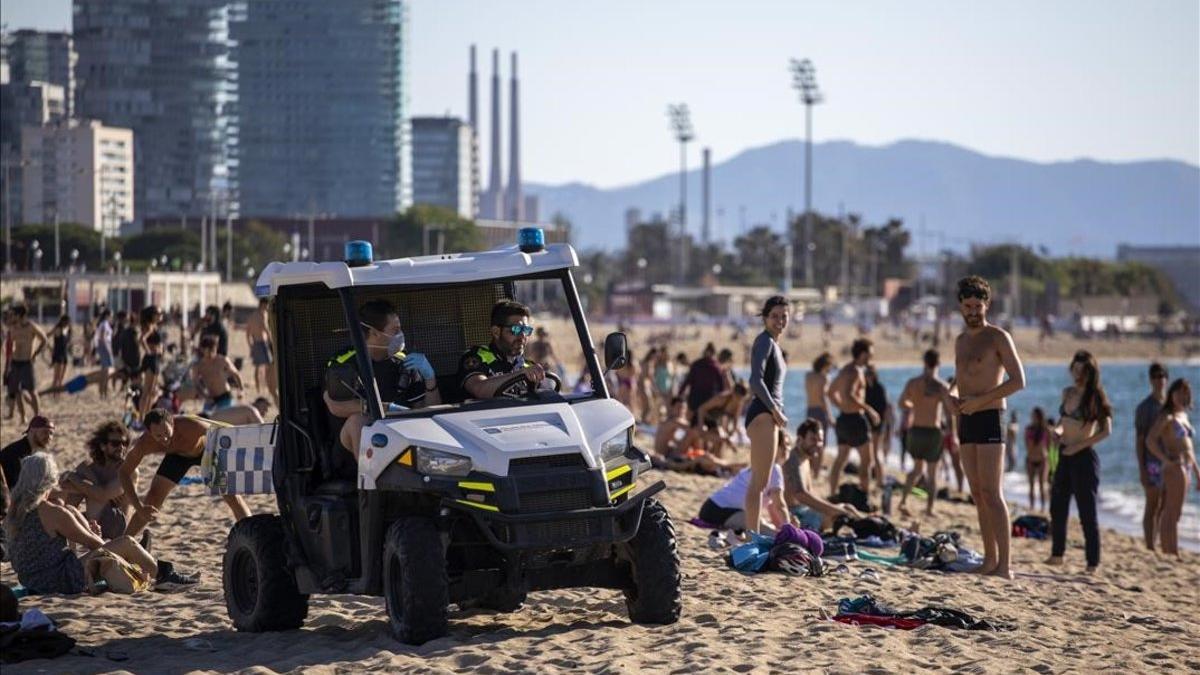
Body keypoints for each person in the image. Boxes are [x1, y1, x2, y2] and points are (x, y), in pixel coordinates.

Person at [6, 452, 197, 594]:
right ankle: (164, 576)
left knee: (72, 511)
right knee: (127, 542)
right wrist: (103, 539)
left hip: (30, 581)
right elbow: (95, 545)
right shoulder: (52, 512)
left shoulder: (14, 512)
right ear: (50, 480)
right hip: (59, 581)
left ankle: (138, 561)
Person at [952, 275, 1025, 579]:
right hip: (965, 416)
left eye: (978, 306)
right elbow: (962, 378)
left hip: (991, 416)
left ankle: (1004, 565)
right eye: (968, 306)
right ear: (960, 306)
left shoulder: (998, 337)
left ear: (987, 304)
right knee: (977, 493)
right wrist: (953, 394)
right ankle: (989, 558)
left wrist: (980, 402)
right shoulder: (960, 340)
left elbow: (1018, 381)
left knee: (993, 493)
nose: (973, 311)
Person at [326, 300, 440, 461]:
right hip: (352, 448)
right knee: (357, 421)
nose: (400, 335)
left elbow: (428, 412)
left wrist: (430, 379)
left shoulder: (406, 362)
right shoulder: (343, 362)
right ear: (374, 333)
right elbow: (334, 405)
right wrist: (385, 408)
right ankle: (371, 483)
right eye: (395, 330)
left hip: (402, 438)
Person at [120, 410, 252, 537]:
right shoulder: (145, 443)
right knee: (153, 498)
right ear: (149, 432)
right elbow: (124, 473)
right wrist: (139, 507)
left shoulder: (191, 425)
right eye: (158, 436)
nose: (165, 439)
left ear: (172, 424)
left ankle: (252, 533)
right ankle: (122, 545)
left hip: (207, 451)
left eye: (167, 432)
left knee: (231, 495)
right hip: (177, 456)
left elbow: (225, 434)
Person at [1046, 350, 1111, 573]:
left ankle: (1092, 562)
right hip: (1064, 454)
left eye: (1082, 371)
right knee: (1057, 507)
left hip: (1084, 457)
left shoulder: (1095, 397)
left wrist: (1079, 445)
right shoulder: (1068, 393)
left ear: (1090, 372)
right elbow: (1063, 421)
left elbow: (1106, 431)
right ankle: (1057, 555)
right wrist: (1057, 431)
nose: (1077, 375)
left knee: (1087, 512)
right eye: (1074, 370)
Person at [742, 296, 790, 535]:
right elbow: (755, 380)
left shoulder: (774, 344)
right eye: (775, 316)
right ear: (765, 317)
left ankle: (754, 534)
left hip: (767, 416)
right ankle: (752, 536)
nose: (780, 321)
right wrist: (774, 409)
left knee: (762, 481)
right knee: (759, 483)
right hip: (762, 415)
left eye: (784, 316)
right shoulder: (764, 342)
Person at [896, 349, 957, 517]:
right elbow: (950, 411)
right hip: (932, 432)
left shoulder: (913, 383)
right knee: (932, 474)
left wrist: (914, 406)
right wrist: (954, 434)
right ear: (938, 364)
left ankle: (903, 501)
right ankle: (929, 509)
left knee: (916, 470)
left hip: (915, 431)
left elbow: (901, 403)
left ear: (924, 362)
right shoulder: (941, 386)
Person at [1145, 378, 1199, 559]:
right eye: (1178, 392)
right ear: (1171, 394)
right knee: (1171, 511)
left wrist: (1198, 473)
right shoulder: (1167, 416)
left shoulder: (1183, 415)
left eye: (1185, 392)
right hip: (1174, 465)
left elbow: (1189, 448)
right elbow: (1150, 440)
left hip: (1187, 466)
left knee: (1177, 511)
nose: (1181, 396)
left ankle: (1170, 549)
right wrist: (1164, 459)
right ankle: (1170, 550)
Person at [60, 421, 138, 540]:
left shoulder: (129, 470)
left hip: (119, 527)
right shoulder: (93, 468)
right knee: (78, 493)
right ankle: (66, 543)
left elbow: (101, 495)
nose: (121, 447)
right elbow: (65, 487)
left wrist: (73, 475)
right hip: (95, 522)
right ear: (102, 446)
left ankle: (93, 542)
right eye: (115, 443)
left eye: (125, 443)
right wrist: (79, 475)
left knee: (92, 494)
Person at [782, 418, 865, 530]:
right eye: (813, 439)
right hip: (795, 515)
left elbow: (810, 492)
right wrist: (834, 510)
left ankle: (866, 519)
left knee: (848, 508)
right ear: (800, 439)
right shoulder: (793, 460)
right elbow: (800, 495)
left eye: (820, 440)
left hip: (805, 509)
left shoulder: (805, 459)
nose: (817, 444)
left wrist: (833, 507)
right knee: (838, 515)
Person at [459, 300, 550, 400]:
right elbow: (479, 389)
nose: (523, 336)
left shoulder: (528, 366)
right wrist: (520, 374)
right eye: (517, 329)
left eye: (526, 330)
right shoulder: (475, 357)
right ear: (496, 332)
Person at [827, 339, 881, 496]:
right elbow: (849, 394)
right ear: (863, 353)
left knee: (840, 460)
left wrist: (842, 407)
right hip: (856, 420)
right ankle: (865, 497)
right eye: (870, 353)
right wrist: (869, 409)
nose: (872, 356)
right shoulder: (856, 371)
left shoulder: (845, 369)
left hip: (843, 419)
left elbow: (831, 392)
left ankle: (832, 494)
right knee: (867, 461)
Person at [698, 439, 787, 532]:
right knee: (765, 531)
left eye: (788, 445)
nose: (786, 449)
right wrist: (789, 529)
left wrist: (783, 526)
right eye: (783, 445)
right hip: (721, 510)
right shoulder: (774, 468)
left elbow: (773, 507)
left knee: (767, 528)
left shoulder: (760, 465)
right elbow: (780, 505)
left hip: (712, 507)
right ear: (773, 447)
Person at [1134, 362, 1169, 550]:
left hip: (1169, 463)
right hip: (1151, 463)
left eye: (1162, 375)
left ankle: (1158, 540)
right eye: (1156, 376)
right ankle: (1149, 545)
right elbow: (1140, 440)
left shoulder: (1171, 406)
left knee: (1165, 507)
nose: (1159, 379)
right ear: (1150, 380)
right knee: (1152, 505)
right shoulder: (1145, 408)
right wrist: (1142, 469)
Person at [5, 304, 47, 422]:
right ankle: (23, 417)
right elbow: (9, 346)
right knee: (17, 391)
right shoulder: (13, 328)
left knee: (32, 391)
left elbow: (44, 340)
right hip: (15, 362)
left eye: (14, 314)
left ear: (20, 315)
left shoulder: (31, 326)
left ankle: (37, 416)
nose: (11, 317)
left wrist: (35, 353)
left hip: (26, 362)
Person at [694, 382, 750, 458]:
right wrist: (700, 427)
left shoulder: (739, 403)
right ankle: (714, 461)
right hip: (702, 419)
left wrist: (732, 434)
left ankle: (717, 463)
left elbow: (735, 422)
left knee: (723, 439)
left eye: (740, 399)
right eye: (737, 397)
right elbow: (701, 409)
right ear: (733, 393)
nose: (738, 400)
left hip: (713, 422)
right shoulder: (722, 398)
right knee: (720, 439)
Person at [191, 335, 244, 413]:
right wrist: (204, 395)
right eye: (209, 351)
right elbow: (195, 382)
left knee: (225, 419)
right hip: (210, 399)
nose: (211, 354)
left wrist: (241, 390)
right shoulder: (198, 366)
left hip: (225, 396)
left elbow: (236, 374)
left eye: (213, 350)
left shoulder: (222, 360)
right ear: (202, 350)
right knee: (206, 420)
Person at [677, 343, 725, 427]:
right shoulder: (716, 366)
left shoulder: (696, 364)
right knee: (711, 427)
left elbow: (687, 381)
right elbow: (721, 387)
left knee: (693, 425)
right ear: (714, 353)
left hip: (695, 400)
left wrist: (679, 394)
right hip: (709, 401)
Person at [0, 415, 55, 489]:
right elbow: (19, 487)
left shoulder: (35, 452)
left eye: (51, 433)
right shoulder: (17, 453)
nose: (49, 437)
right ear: (31, 431)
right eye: (44, 432)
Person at [805, 352, 834, 478]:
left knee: (810, 441)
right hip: (820, 412)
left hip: (810, 409)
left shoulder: (808, 376)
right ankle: (816, 473)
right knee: (821, 443)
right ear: (825, 365)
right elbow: (823, 398)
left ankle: (809, 469)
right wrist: (830, 416)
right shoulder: (824, 378)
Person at [244, 297, 278, 406]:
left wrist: (250, 344)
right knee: (268, 367)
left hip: (255, 342)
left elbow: (248, 332)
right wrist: (272, 342)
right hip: (263, 343)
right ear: (263, 304)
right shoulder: (262, 314)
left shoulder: (252, 316)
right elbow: (266, 329)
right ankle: (267, 389)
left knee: (258, 367)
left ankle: (259, 390)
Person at [864, 365, 892, 489]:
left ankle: (880, 481)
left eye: (870, 373)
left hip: (877, 424)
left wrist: (887, 427)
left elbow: (886, 409)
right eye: (867, 373)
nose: (868, 376)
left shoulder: (879, 388)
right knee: (869, 455)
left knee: (875, 453)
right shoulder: (865, 388)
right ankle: (876, 481)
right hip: (867, 424)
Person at [1025, 407, 1050, 511]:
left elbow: (1049, 445)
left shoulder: (1045, 430)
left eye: (1034, 416)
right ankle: (1032, 506)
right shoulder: (1028, 429)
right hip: (1031, 459)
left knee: (1042, 485)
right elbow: (1026, 444)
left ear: (1039, 417)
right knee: (1031, 485)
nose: (1033, 418)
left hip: (1042, 459)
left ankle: (1043, 507)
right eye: (1032, 416)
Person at [48, 314, 72, 399]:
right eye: (67, 322)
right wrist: (50, 348)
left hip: (64, 354)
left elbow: (68, 343)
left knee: (61, 377)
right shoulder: (58, 329)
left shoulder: (68, 330)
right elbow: (47, 336)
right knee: (56, 377)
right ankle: (53, 394)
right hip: (58, 354)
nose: (68, 323)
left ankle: (58, 394)